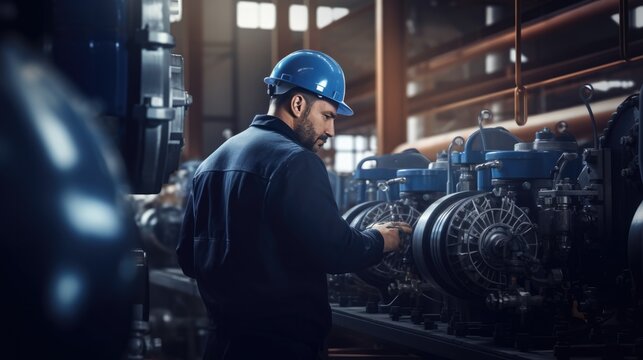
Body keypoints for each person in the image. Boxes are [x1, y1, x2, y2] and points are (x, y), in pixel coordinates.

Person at [177, 49, 411, 360]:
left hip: (222, 344)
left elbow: (187, 259)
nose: (331, 131)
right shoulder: (295, 161)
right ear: (298, 104)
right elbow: (336, 252)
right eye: (327, 116)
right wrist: (381, 238)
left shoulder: (211, 162)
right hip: (280, 348)